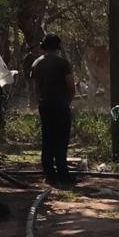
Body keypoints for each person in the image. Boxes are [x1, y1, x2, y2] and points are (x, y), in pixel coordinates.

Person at [28, 34, 76, 186]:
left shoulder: (36, 63)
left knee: (47, 139)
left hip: (45, 105)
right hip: (61, 105)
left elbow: (35, 88)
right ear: (58, 47)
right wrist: (67, 102)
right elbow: (71, 87)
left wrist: (40, 101)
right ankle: (63, 174)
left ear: (44, 47)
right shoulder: (63, 63)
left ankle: (49, 174)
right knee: (61, 140)